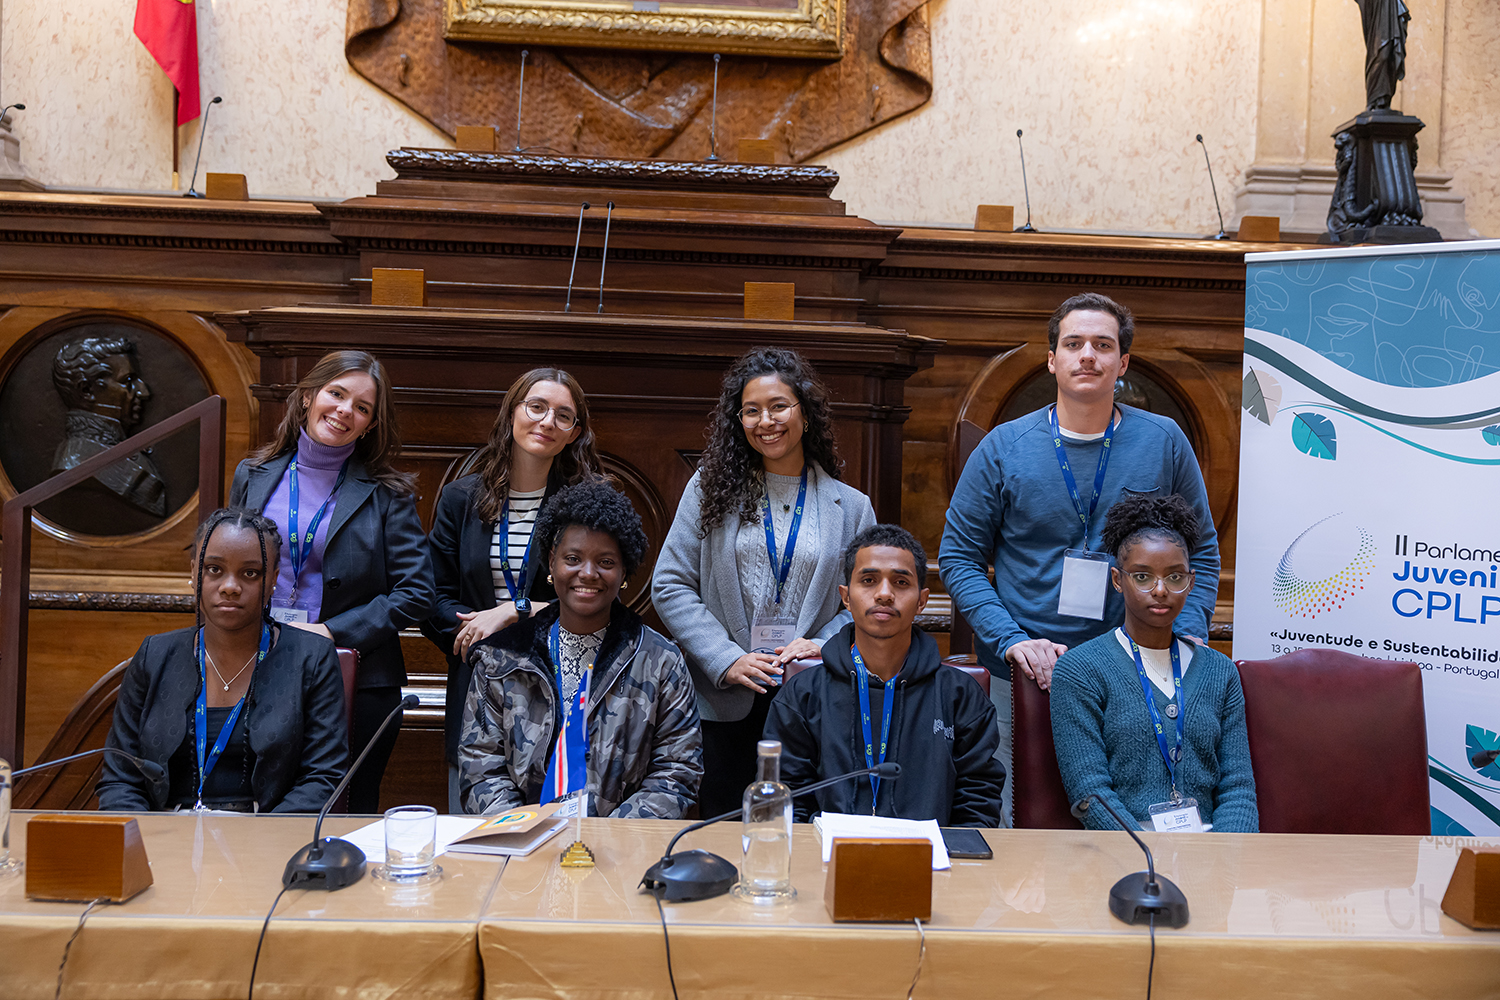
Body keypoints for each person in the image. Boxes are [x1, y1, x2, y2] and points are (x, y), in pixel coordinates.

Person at [938, 292, 1220, 822]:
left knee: (1115, 825)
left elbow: (1201, 547)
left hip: (1129, 672)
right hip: (1021, 673)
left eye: (1102, 345)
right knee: (1013, 825)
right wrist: (1013, 640)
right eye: (1073, 344)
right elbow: (958, 557)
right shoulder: (1003, 446)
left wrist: (1194, 622)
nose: (1087, 355)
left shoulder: (1164, 441)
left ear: (1123, 362)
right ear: (1052, 360)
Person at [652, 347, 876, 816]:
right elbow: (670, 583)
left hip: (811, 692)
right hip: (724, 698)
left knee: (808, 827)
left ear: (805, 413)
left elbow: (865, 600)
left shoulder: (851, 506)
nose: (765, 420)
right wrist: (726, 658)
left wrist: (823, 644)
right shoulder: (709, 488)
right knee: (724, 828)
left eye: (778, 406)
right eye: (751, 411)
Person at [230, 350, 434, 813]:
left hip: (355, 678)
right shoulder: (254, 475)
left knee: (346, 812)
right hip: (261, 664)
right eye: (336, 394)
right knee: (256, 804)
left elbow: (417, 591)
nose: (345, 410)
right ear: (307, 398)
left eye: (362, 408)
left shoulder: (387, 493)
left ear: (370, 426)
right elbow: (228, 562)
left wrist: (329, 632)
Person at [459, 480, 702, 817]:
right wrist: (526, 833)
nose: (587, 573)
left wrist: (607, 840)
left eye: (605, 562)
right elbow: (481, 768)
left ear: (624, 572)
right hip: (523, 851)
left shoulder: (662, 661)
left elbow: (677, 772)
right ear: (552, 562)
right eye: (573, 558)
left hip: (621, 854)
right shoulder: (501, 658)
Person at [423, 368, 601, 812]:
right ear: (513, 413)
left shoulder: (586, 503)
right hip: (477, 683)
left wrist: (514, 611)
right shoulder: (460, 499)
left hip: (561, 680)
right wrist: (481, 643)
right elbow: (432, 598)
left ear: (573, 433)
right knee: (476, 842)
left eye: (563, 416)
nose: (546, 422)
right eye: (536, 407)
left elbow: (595, 598)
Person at [98, 509, 348, 812]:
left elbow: (322, 779)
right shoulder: (155, 655)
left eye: (250, 573)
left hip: (264, 843)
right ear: (194, 573)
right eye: (214, 569)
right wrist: (146, 843)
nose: (230, 586)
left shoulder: (312, 658)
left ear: (273, 581)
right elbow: (120, 780)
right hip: (164, 841)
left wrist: (254, 844)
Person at [764, 525, 1005, 826]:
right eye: (869, 580)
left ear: (922, 600)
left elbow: (977, 803)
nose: (884, 594)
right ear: (846, 597)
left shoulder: (960, 695)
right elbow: (787, 802)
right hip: (825, 862)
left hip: (932, 864)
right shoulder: (802, 694)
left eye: (901, 582)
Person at [1049, 494, 1257, 833]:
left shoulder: (1221, 672)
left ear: (1190, 581)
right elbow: (1091, 793)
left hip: (1212, 863)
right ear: (1118, 580)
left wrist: (1226, 864)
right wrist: (1148, 862)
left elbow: (1237, 789)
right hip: (1126, 861)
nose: (1160, 590)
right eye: (1143, 577)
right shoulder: (1080, 670)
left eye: (1175, 578)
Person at [50, 335, 165, 516]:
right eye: (128, 381)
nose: (144, 392)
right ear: (87, 391)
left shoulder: (113, 444)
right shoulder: (75, 460)